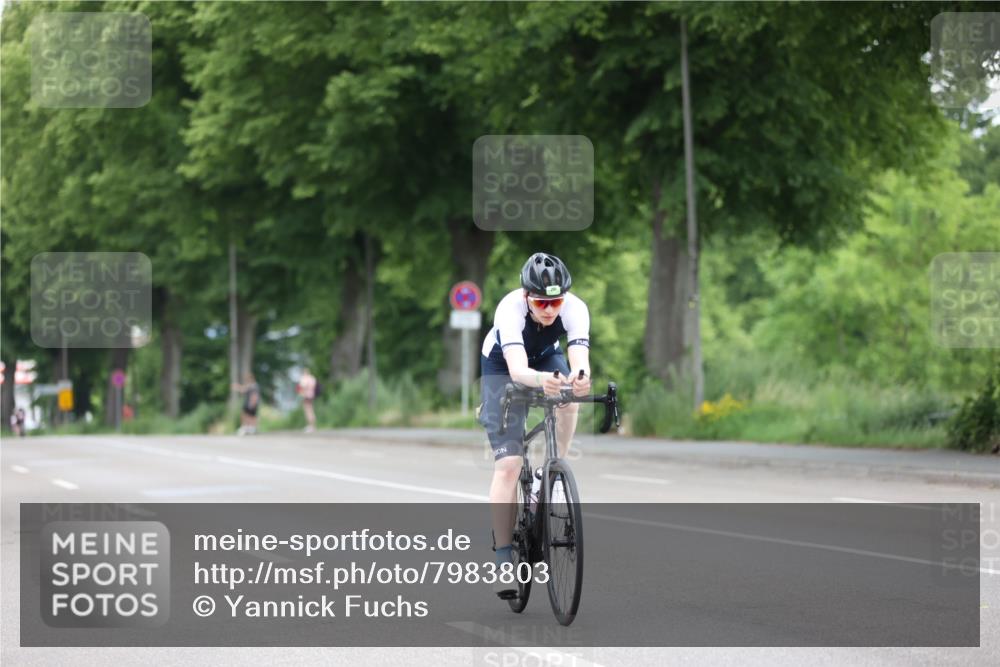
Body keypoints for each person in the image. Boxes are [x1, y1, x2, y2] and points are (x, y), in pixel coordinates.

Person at [478, 252, 591, 598]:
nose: (549, 309)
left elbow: (579, 359)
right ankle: (502, 557)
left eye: (556, 301)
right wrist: (543, 381)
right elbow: (518, 371)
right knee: (509, 466)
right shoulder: (509, 310)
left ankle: (553, 470)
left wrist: (581, 378)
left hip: (544, 356)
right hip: (503, 365)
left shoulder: (575, 308)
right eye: (542, 302)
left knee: (569, 392)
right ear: (527, 296)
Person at [297, 367, 317, 433]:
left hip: (306, 396)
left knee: (308, 411)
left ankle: (310, 426)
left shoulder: (304, 379)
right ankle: (313, 426)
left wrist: (302, 392)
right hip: (311, 396)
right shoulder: (312, 378)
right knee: (311, 410)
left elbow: (302, 387)